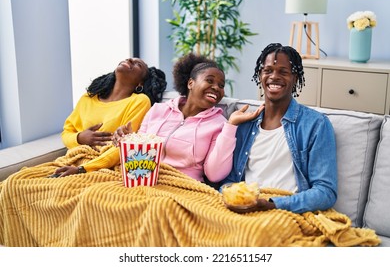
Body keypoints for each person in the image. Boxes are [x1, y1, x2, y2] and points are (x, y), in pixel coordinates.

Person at [220, 43, 337, 214]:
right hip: (246, 207)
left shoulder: (316, 124)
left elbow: (326, 192)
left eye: (283, 72)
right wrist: (232, 197)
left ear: (295, 78)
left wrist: (273, 204)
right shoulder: (245, 124)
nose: (274, 76)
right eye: (268, 70)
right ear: (260, 75)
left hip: (286, 209)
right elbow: (229, 181)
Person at [113, 53, 263, 183]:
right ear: (191, 83)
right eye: (210, 81)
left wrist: (231, 127)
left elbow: (215, 174)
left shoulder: (219, 124)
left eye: (221, 85)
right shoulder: (158, 110)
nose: (217, 87)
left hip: (183, 187)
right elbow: (139, 156)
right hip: (145, 179)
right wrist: (126, 140)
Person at [50, 57, 167, 177]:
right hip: (71, 160)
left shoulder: (139, 101)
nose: (130, 60)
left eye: (138, 64)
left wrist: (83, 168)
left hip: (102, 167)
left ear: (140, 84)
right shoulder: (88, 98)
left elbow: (125, 145)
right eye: (130, 59)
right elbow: (66, 133)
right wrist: (80, 138)